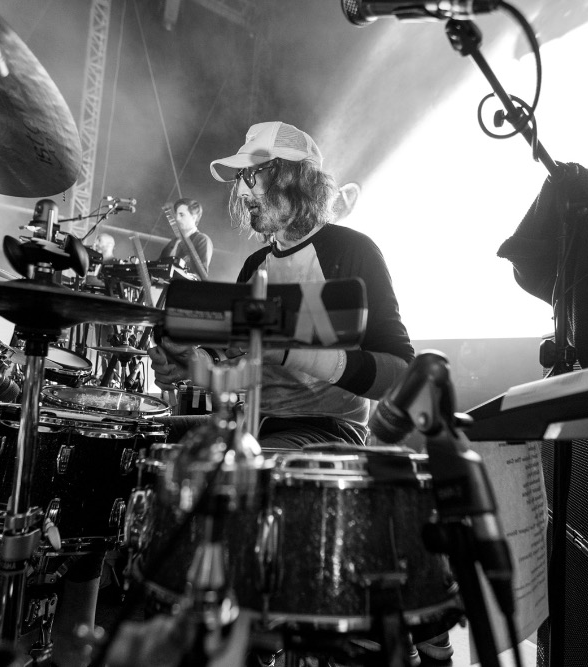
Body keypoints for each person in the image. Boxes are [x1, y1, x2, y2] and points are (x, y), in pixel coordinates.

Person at [147, 121, 451, 661]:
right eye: (240, 180)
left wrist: (293, 351)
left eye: (254, 176)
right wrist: (192, 369)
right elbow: (242, 370)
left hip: (330, 433)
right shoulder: (255, 266)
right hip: (257, 431)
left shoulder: (351, 251)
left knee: (246, 504)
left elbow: (400, 372)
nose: (243, 191)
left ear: (295, 177)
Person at [159, 197, 212, 275]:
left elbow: (200, 275)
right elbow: (158, 265)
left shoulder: (202, 240)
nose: (177, 218)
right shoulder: (174, 242)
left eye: (182, 215)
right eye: (176, 214)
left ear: (194, 217)